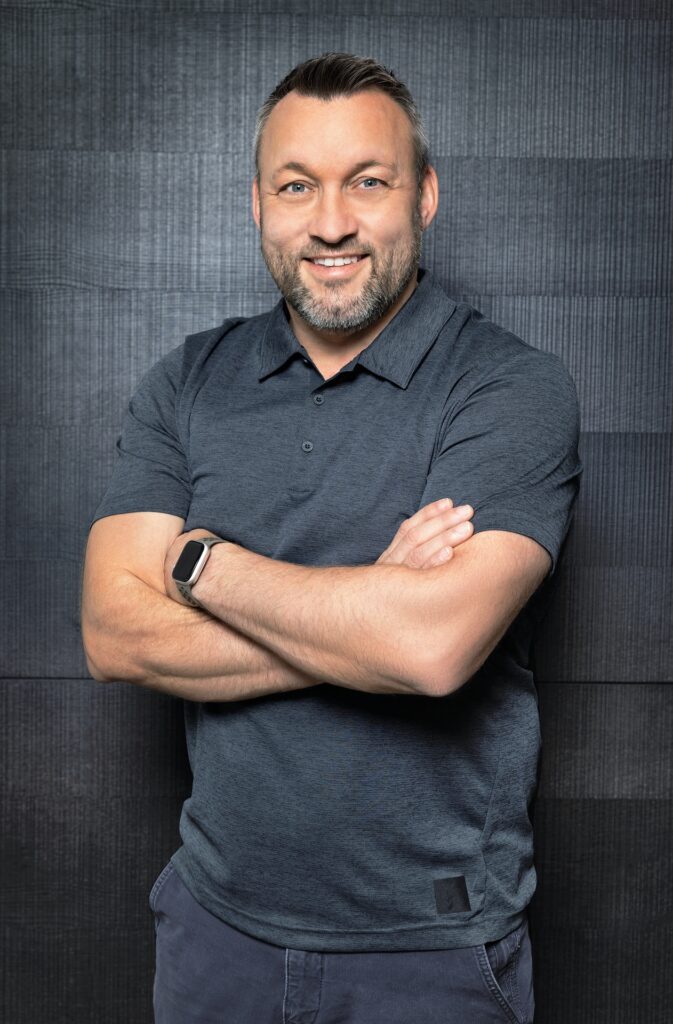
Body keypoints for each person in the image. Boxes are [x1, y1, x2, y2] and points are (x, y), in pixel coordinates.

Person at [81, 51, 582, 1024]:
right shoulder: (187, 380)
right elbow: (114, 633)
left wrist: (201, 563)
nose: (331, 222)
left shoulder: (509, 388)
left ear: (423, 195)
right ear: (257, 204)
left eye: (367, 181)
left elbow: (429, 649)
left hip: (432, 954)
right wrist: (366, 613)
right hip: (214, 936)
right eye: (296, 186)